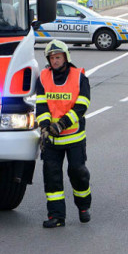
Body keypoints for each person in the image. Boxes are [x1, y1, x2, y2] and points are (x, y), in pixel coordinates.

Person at [35, 40, 92, 228]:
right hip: (51, 140)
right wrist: (44, 126)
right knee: (51, 178)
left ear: (66, 57)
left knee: (78, 173)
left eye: (58, 57)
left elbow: (82, 106)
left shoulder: (79, 77)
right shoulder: (43, 77)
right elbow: (41, 105)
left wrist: (62, 124)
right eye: (52, 58)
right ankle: (57, 217)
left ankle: (84, 207)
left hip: (74, 137)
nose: (55, 61)